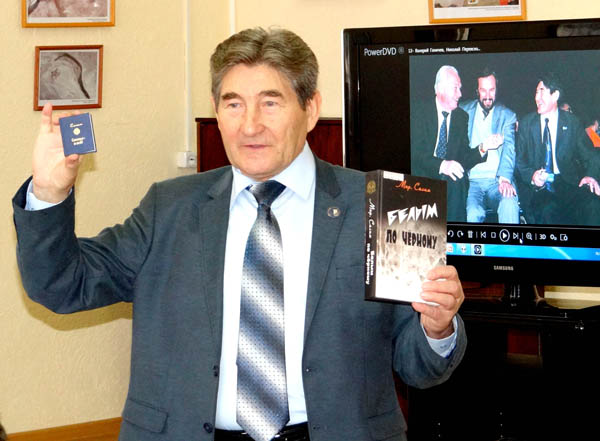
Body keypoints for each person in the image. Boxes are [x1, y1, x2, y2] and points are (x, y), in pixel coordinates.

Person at [13, 28, 467, 441]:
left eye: (270, 103)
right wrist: (49, 194)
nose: (250, 125)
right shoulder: (169, 208)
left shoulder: (389, 207)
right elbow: (61, 284)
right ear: (217, 112)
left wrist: (437, 327)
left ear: (310, 109)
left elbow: (420, 368)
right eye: (233, 104)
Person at [411, 65, 494, 221]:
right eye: (455, 88)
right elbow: (415, 153)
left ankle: (455, 234)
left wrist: (483, 148)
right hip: (421, 176)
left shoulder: (461, 117)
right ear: (440, 89)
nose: (460, 94)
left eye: (460, 88)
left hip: (448, 181)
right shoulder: (418, 112)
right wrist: (442, 165)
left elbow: (463, 157)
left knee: (458, 178)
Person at [516, 73, 600, 225]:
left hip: (567, 183)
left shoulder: (572, 123)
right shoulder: (526, 124)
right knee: (547, 211)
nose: (537, 97)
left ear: (555, 95)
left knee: (592, 203)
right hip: (539, 189)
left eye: (541, 91)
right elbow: (519, 161)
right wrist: (532, 176)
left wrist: (591, 176)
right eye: (536, 92)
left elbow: (591, 155)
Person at [460, 69, 520, 223]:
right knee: (472, 214)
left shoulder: (508, 115)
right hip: (472, 182)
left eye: (492, 90)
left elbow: (509, 149)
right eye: (483, 90)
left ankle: (510, 241)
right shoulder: (462, 111)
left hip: (497, 181)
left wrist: (505, 179)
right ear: (477, 91)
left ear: (497, 90)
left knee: (509, 203)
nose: (488, 96)